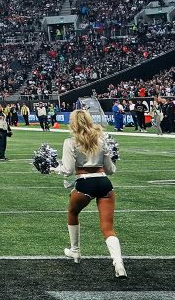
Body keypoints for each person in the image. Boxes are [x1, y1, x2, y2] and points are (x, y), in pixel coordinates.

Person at [53, 109, 126, 278]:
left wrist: (54, 169)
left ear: (73, 123)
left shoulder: (70, 142)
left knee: (72, 212)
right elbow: (110, 170)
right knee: (108, 228)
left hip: (85, 183)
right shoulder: (101, 140)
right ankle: (119, 264)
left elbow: (68, 170)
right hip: (104, 182)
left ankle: (75, 251)